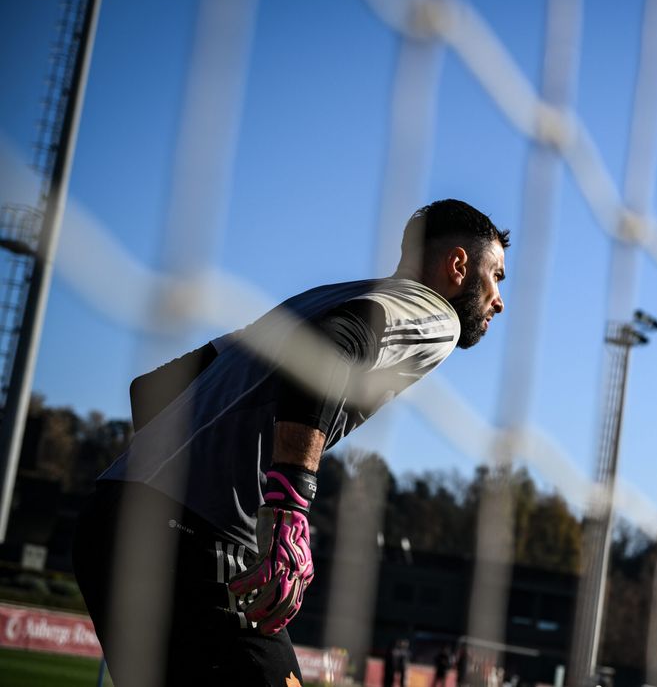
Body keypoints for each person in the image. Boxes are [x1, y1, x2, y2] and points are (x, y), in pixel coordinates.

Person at [72, 199, 508, 686]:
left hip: (108, 522)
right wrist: (287, 505)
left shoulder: (317, 298)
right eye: (497, 277)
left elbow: (154, 391)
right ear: (458, 266)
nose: (498, 299)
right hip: (190, 532)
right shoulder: (435, 315)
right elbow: (330, 349)